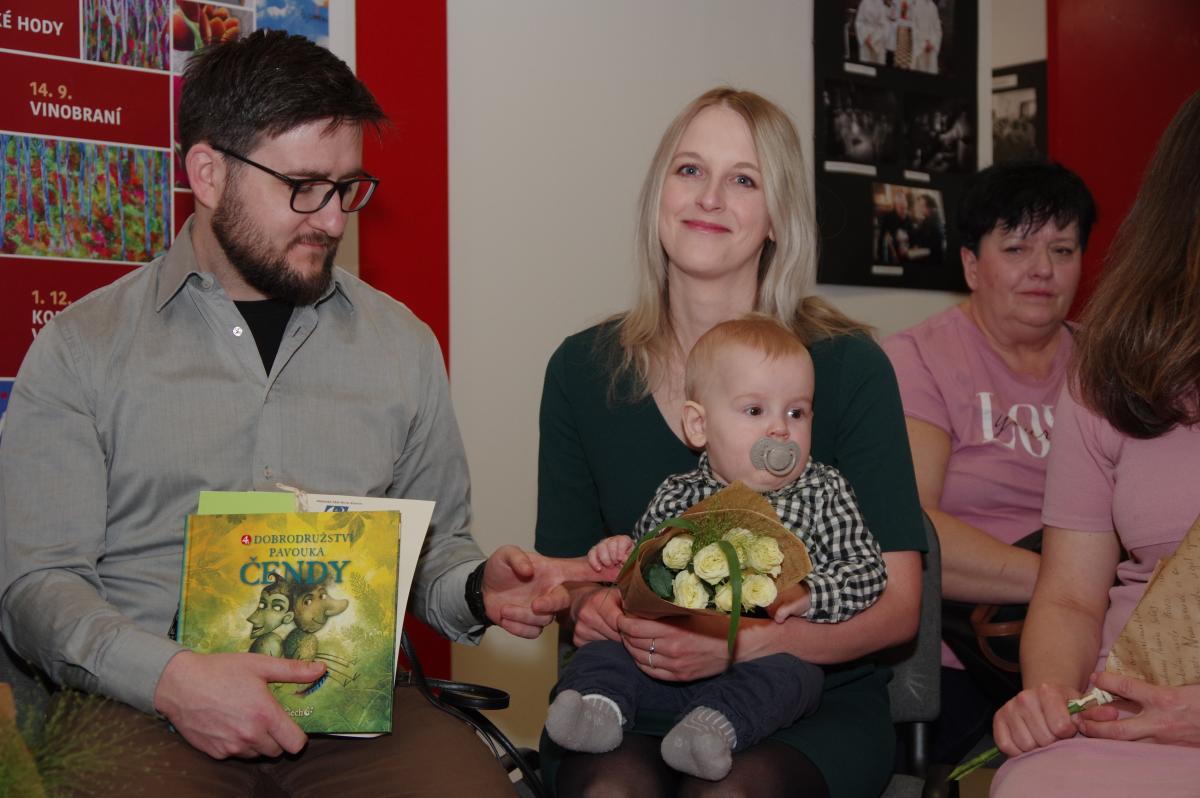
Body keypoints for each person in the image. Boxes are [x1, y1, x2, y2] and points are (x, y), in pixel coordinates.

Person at [0, 31, 609, 797]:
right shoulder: (83, 348)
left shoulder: (402, 345)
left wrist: (477, 588)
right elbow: (38, 586)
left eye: (346, 188)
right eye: (303, 186)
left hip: (354, 711)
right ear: (208, 173)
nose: (331, 219)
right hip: (142, 707)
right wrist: (171, 678)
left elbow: (433, 553)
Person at [535, 86, 926, 798]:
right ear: (658, 194)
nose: (709, 197)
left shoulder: (848, 367)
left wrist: (750, 642)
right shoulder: (582, 370)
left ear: (777, 218)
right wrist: (588, 603)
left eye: (744, 180)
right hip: (633, 686)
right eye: (689, 170)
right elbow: (570, 574)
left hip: (806, 691)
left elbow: (899, 607)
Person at [545, 316, 885, 782]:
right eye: (755, 411)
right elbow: (643, 572)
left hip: (759, 665)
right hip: (665, 662)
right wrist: (617, 556)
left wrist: (808, 593)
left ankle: (712, 730)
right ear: (699, 424)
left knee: (797, 676)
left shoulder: (824, 491)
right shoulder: (677, 494)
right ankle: (598, 709)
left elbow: (868, 570)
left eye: (797, 413)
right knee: (603, 648)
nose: (780, 430)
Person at [990, 90, 1200, 797]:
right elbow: (1071, 599)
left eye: (1060, 250)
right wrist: (1049, 697)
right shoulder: (1113, 373)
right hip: (1128, 714)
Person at [883, 161, 1096, 764]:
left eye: (1062, 249)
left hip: (1100, 640)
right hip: (966, 653)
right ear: (972, 264)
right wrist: (1069, 587)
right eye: (1017, 248)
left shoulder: (1108, 366)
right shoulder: (917, 359)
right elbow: (912, 528)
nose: (1042, 269)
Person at [854, 0, 892, 64]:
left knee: (878, 60)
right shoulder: (864, 3)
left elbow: (884, 24)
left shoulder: (881, 4)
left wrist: (874, 39)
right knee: (866, 61)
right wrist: (865, 37)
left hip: (878, 37)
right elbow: (859, 22)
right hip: (866, 36)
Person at [910, 0, 943, 74]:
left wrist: (933, 43)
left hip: (931, 48)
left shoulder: (933, 7)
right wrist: (924, 44)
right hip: (920, 48)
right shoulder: (916, 5)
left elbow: (937, 28)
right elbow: (914, 28)